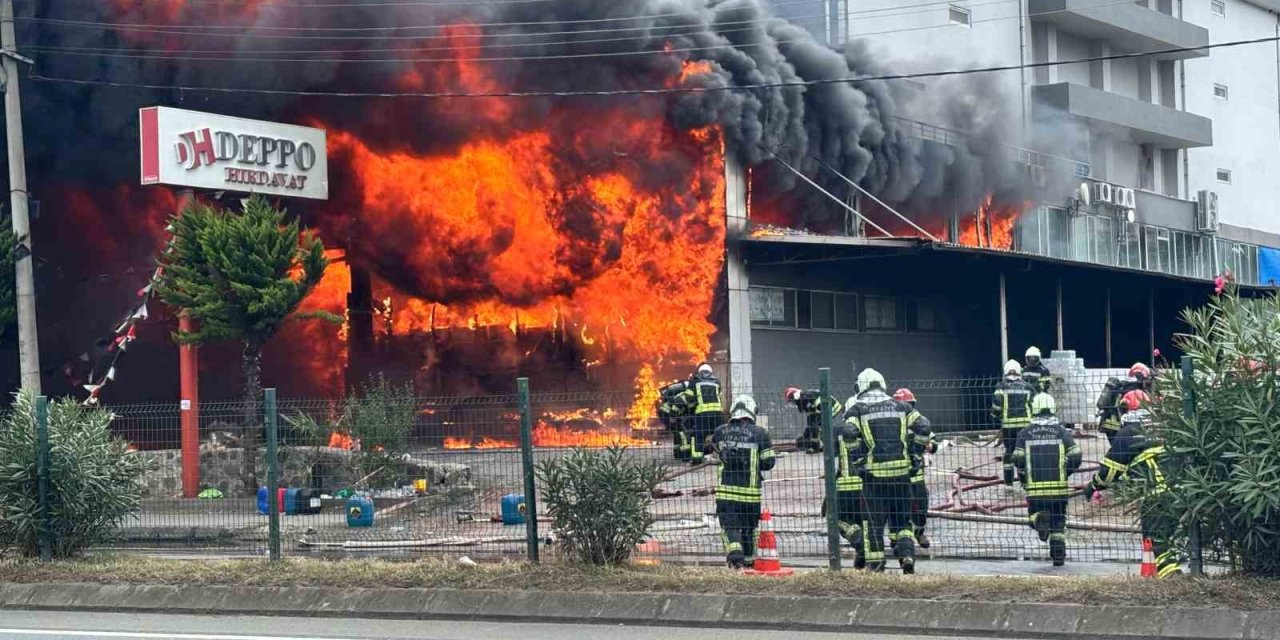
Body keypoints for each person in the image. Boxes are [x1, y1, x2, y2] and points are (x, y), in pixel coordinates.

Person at [843, 369, 932, 574]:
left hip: (874, 478)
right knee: (902, 522)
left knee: (873, 525)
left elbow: (848, 432)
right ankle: (907, 556)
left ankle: (876, 566)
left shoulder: (858, 409)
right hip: (902, 475)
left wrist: (858, 460)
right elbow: (924, 426)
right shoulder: (902, 407)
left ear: (861, 386)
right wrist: (916, 455)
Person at [1085, 390, 1179, 578]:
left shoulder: (1128, 434)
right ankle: (1171, 573)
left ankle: (1171, 576)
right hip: (1179, 492)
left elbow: (1110, 471)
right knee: (1168, 535)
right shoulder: (1163, 428)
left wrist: (1094, 486)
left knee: (1156, 537)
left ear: (1124, 410)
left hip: (1155, 495)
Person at [1011, 393, 1082, 566]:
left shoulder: (1025, 433)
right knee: (1058, 523)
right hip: (1059, 489)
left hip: (1035, 489)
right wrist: (1065, 471)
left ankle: (1039, 520)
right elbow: (1076, 455)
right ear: (1053, 408)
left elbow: (1017, 458)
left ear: (1033, 409)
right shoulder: (1061, 431)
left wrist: (1025, 470)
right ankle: (1058, 556)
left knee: (1033, 517)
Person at [711, 395, 776, 569]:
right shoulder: (760, 433)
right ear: (752, 411)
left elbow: (713, 450)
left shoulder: (720, 431)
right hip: (751, 494)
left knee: (730, 527)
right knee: (749, 529)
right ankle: (748, 561)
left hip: (726, 493)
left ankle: (735, 557)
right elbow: (769, 462)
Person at [894, 388, 935, 549]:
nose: (908, 408)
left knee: (921, 504)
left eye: (910, 404)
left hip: (916, 474)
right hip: (898, 473)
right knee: (898, 507)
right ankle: (899, 537)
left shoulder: (918, 422)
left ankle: (919, 533)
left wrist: (931, 446)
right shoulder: (891, 425)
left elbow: (932, 439)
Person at [991, 360, 1036, 488]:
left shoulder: (1001, 386)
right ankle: (1025, 482)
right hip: (1026, 426)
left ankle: (1008, 482)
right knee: (1025, 452)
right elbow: (1035, 404)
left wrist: (997, 416)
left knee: (1009, 452)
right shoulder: (1028, 387)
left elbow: (996, 404)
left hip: (1009, 426)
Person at [677, 364, 723, 463]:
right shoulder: (717, 382)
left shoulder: (695, 381)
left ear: (699, 372)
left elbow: (689, 397)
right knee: (718, 434)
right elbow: (719, 395)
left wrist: (686, 406)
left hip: (702, 413)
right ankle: (721, 456)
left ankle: (697, 459)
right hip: (717, 413)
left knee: (698, 435)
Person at [1096, 363, 1153, 442]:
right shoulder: (1134, 390)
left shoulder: (1121, 385)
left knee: (1116, 446)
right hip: (1119, 425)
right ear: (1139, 376)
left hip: (1109, 423)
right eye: (1145, 378)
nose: (1146, 382)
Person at [785, 387, 844, 454]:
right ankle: (818, 444)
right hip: (824, 408)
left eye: (792, 401)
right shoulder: (805, 398)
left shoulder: (805, 398)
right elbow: (810, 418)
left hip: (831, 408)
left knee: (814, 426)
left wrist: (809, 434)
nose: (794, 403)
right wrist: (806, 435)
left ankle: (816, 447)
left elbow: (813, 420)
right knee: (812, 426)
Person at [657, 379, 694, 461]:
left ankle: (677, 454)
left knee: (677, 433)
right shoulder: (683, 397)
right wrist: (673, 418)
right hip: (668, 414)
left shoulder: (681, 394)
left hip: (665, 413)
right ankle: (686, 456)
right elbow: (675, 409)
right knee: (682, 433)